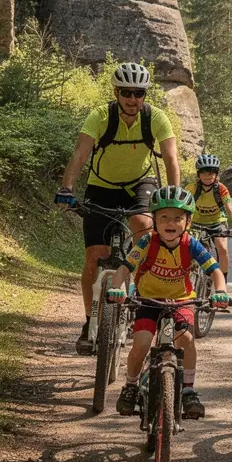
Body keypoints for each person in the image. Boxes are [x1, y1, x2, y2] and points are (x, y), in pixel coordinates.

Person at [56, 62, 181, 355]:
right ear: (116, 92)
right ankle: (90, 322)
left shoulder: (155, 118)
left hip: (140, 184)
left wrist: (173, 195)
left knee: (142, 222)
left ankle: (141, 293)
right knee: (93, 260)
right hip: (102, 186)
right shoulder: (100, 116)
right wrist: (67, 189)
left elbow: (171, 159)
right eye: (127, 92)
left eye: (139, 93)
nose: (133, 99)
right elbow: (80, 154)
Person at [107, 186, 230, 419]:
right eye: (163, 217)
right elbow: (124, 268)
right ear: (154, 220)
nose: (170, 222)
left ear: (188, 221)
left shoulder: (191, 244)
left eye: (177, 217)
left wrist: (220, 292)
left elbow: (214, 270)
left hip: (181, 299)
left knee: (186, 339)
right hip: (148, 299)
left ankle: (189, 391)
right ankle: (130, 386)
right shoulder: (146, 242)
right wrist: (115, 288)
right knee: (142, 343)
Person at [184, 153, 232, 280]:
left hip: (217, 222)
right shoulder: (191, 188)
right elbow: (184, 209)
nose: (207, 176)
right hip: (196, 223)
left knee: (223, 249)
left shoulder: (221, 189)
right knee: (188, 250)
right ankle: (189, 279)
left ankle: (223, 281)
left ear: (216, 174)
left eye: (211, 173)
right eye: (204, 173)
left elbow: (229, 209)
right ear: (198, 174)